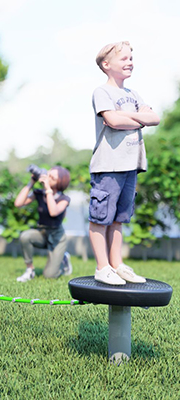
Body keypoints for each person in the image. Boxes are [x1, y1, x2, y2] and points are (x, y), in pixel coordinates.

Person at [89, 41, 160, 285]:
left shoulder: (133, 94)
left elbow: (155, 118)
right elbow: (111, 120)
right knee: (101, 217)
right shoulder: (102, 92)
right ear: (106, 65)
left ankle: (117, 265)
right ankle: (102, 267)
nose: (130, 62)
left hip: (131, 165)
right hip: (109, 165)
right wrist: (140, 119)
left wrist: (130, 117)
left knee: (120, 217)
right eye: (124, 59)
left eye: (131, 58)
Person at [14, 166, 72, 282]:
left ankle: (63, 258)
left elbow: (53, 212)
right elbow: (18, 203)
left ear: (60, 182)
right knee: (25, 236)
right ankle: (29, 270)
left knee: (50, 275)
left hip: (57, 238)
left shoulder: (64, 198)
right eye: (48, 175)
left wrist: (47, 189)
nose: (48, 178)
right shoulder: (39, 194)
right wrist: (31, 183)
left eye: (52, 178)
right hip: (43, 233)